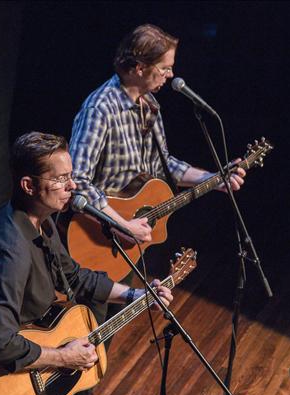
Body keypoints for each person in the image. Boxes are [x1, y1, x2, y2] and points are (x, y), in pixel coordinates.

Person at [0, 132, 174, 395]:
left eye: (72, 176)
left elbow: (77, 278)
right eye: (61, 179)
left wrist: (137, 295)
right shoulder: (10, 248)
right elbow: (0, 342)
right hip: (12, 378)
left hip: (37, 355)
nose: (73, 186)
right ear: (28, 185)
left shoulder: (42, 220)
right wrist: (64, 357)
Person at [69, 24, 246, 243]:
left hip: (132, 237)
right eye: (164, 68)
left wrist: (212, 179)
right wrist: (121, 226)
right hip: (95, 236)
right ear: (140, 68)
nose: (171, 75)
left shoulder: (150, 105)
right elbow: (76, 181)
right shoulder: (101, 109)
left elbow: (162, 164)